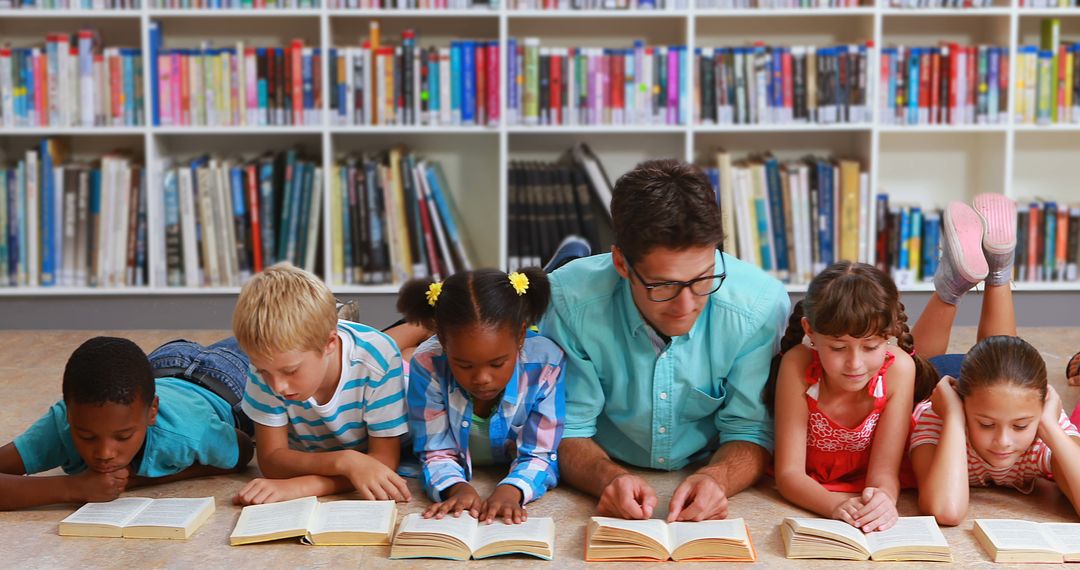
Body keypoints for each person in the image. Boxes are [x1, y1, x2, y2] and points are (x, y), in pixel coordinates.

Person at [539, 158, 790, 522]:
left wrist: (717, 478)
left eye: (704, 278)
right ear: (622, 264)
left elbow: (750, 428)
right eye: (664, 285)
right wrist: (608, 477)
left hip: (706, 460)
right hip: (609, 457)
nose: (686, 306)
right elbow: (568, 428)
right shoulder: (567, 300)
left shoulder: (760, 305)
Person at [909, 194, 1080, 524]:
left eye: (1020, 426)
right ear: (962, 405)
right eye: (986, 425)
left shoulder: (1045, 424)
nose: (1003, 441)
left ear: (1041, 408)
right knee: (912, 375)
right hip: (944, 381)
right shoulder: (939, 418)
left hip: (997, 385)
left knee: (1005, 358)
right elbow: (945, 511)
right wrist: (956, 420)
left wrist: (1048, 426)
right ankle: (967, 281)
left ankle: (989, 271)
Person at [766, 261, 937, 532]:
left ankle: (950, 290)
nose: (854, 364)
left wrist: (883, 499)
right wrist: (833, 505)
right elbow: (789, 475)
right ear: (810, 331)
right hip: (817, 481)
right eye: (837, 348)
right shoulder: (797, 364)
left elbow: (884, 474)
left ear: (889, 335)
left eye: (870, 346)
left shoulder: (899, 369)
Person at [0, 336, 254, 510]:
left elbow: (242, 451)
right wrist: (71, 487)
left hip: (228, 380)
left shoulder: (187, 432)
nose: (104, 453)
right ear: (69, 414)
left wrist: (141, 480)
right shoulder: (62, 423)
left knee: (262, 339)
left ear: (151, 412)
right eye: (86, 436)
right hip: (161, 364)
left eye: (123, 437)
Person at [232, 263, 411, 505]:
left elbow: (383, 462)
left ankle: (420, 328)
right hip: (340, 449)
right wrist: (345, 461)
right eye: (264, 372)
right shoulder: (268, 363)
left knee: (412, 360)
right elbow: (271, 459)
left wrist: (303, 486)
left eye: (291, 371)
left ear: (330, 344)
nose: (278, 387)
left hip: (395, 382)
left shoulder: (378, 359)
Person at [399, 268, 565, 525]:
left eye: (497, 364)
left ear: (521, 335)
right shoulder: (429, 363)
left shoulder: (546, 364)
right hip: (411, 376)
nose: (482, 378)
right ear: (442, 339)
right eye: (464, 365)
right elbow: (435, 452)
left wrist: (513, 489)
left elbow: (541, 453)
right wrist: (456, 487)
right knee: (404, 368)